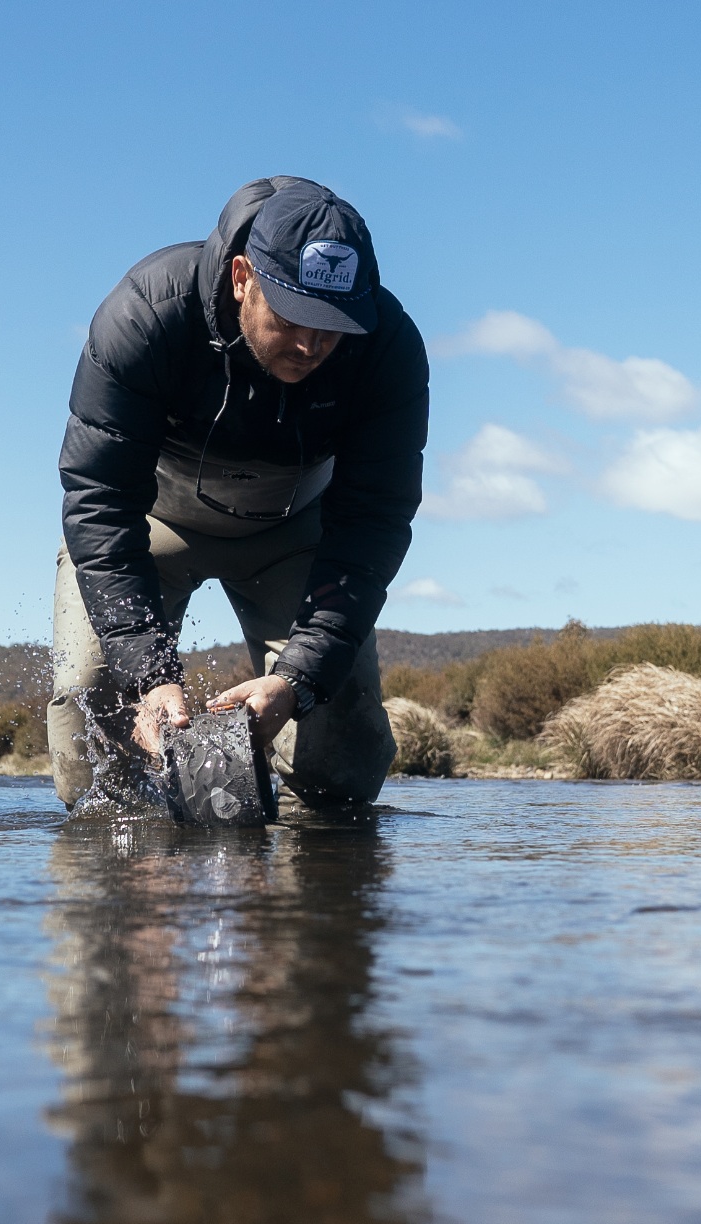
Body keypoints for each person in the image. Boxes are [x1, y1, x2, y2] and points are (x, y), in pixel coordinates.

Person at [49, 176, 428, 812]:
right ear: (242, 277)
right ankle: (127, 885)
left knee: (344, 750)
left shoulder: (386, 348)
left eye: (333, 327)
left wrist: (297, 679)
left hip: (295, 532)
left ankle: (310, 898)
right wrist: (149, 673)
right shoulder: (143, 315)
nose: (311, 345)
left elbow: (374, 524)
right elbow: (100, 498)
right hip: (150, 525)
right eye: (293, 318)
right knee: (92, 720)